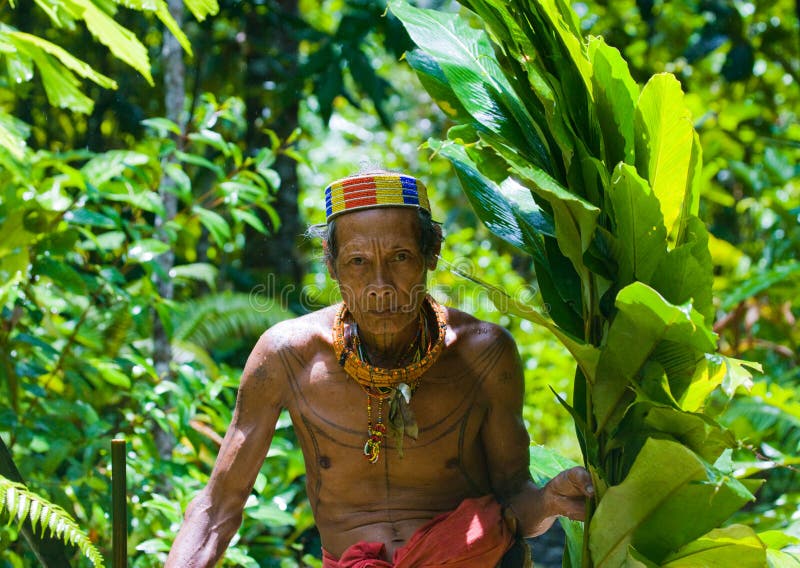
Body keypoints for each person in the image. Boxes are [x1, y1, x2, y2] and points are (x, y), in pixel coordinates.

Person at [166, 171, 594, 567]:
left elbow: (515, 504)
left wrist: (551, 501)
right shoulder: (286, 356)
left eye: (400, 257)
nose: (381, 286)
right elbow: (217, 506)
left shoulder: (484, 353)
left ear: (432, 253)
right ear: (331, 265)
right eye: (357, 262)